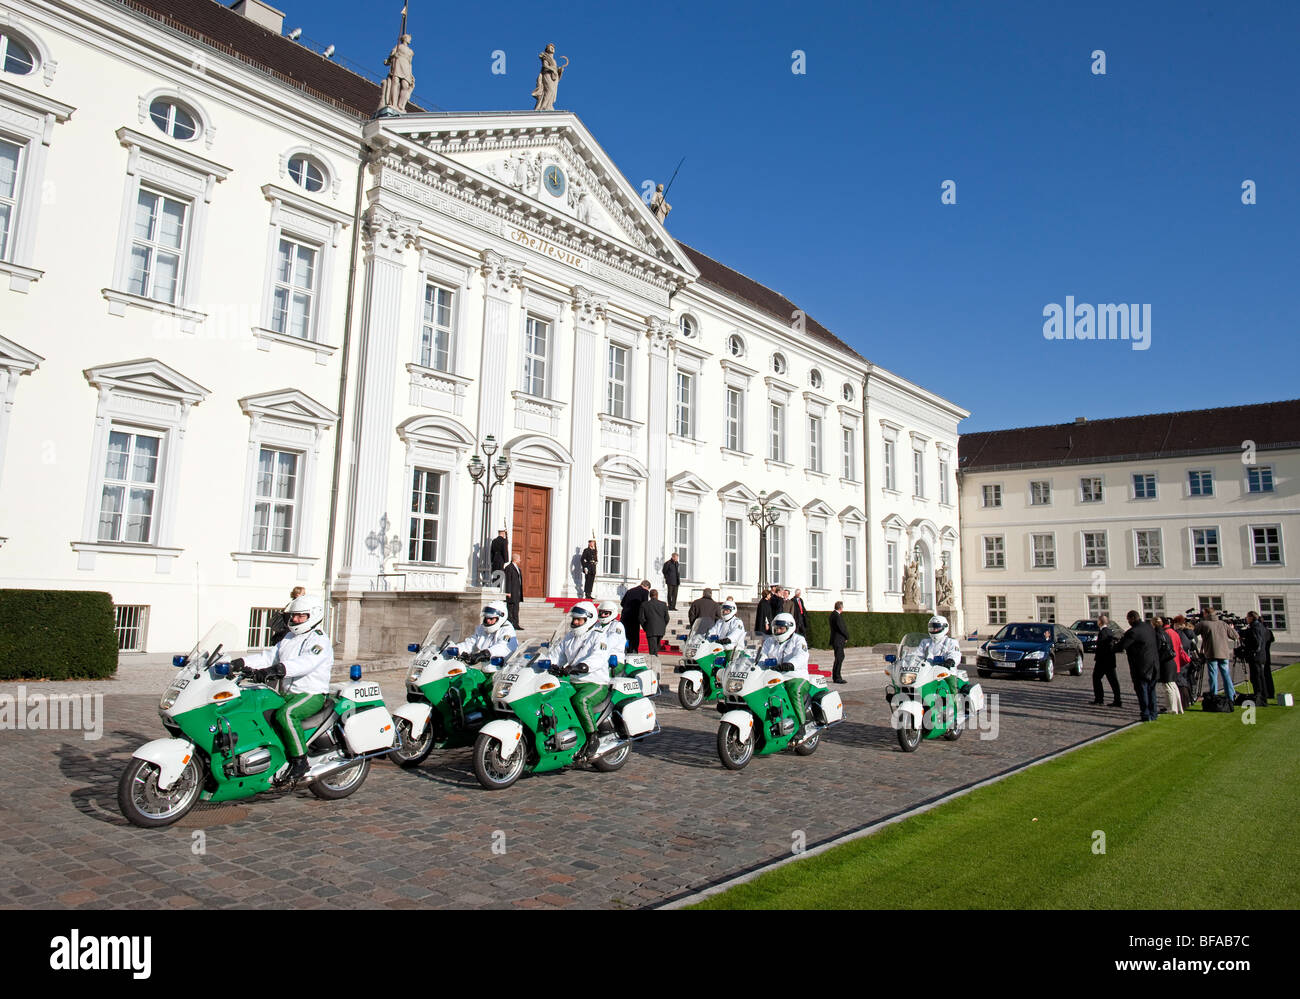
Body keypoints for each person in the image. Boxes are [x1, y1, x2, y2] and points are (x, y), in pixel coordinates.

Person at [228, 594, 332, 783]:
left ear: (313, 615)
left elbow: (306, 663)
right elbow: (268, 657)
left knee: (286, 714)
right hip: (286, 693)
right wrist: (239, 663)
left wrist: (278, 670)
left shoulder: (319, 640)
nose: (295, 620)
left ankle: (300, 761)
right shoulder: (289, 637)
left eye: (301, 616)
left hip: (311, 693)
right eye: (293, 616)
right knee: (254, 705)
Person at [549, 601, 609, 761]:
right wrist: (543, 663)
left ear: (588, 619)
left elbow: (598, 657)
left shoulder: (599, 635)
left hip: (595, 682)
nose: (575, 622)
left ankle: (592, 737)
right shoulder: (570, 636)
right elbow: (557, 655)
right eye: (574, 619)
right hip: (573, 681)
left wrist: (581, 667)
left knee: (580, 700)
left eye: (579, 620)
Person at [760, 613, 813, 740]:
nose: (778, 631)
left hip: (795, 675)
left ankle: (801, 726)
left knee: (794, 691)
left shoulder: (798, 640)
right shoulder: (769, 641)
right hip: (775, 676)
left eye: (781, 628)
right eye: (776, 628)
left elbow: (802, 655)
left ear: (789, 628)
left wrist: (790, 664)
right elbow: (762, 655)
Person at [1116, 610, 1160, 722]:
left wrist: (1112, 645)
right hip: (1154, 664)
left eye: (1128, 620)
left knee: (1143, 690)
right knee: (1151, 690)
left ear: (1132, 618)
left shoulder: (1133, 632)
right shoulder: (1149, 628)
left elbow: (1121, 646)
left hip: (1141, 666)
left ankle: (1146, 714)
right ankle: (1153, 713)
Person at [453, 601, 518, 670]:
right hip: (486, 669)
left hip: (502, 672)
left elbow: (504, 647)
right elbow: (471, 643)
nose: (488, 621)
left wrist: (484, 654)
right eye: (486, 618)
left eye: (491, 618)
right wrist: (457, 649)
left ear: (501, 617)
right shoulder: (482, 628)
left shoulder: (507, 630)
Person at [916, 614, 965, 700]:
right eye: (932, 627)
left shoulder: (950, 642)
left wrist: (951, 661)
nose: (934, 629)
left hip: (946, 671)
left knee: (951, 687)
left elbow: (955, 653)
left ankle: (956, 707)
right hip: (927, 670)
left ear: (945, 627)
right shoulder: (925, 642)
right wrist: (908, 659)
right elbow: (917, 654)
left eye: (936, 627)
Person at [1194, 608, 1238, 699]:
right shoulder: (1223, 624)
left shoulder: (1203, 624)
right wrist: (1232, 628)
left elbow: (1193, 633)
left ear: (1206, 614)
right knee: (1226, 674)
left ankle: (1214, 695)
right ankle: (1231, 695)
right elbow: (1235, 636)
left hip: (1211, 652)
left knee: (1213, 675)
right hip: (1224, 652)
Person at [1154, 616, 1185, 715]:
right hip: (1172, 661)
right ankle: (1177, 707)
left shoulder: (1162, 633)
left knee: (1169, 686)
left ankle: (1172, 708)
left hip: (1166, 662)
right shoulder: (1170, 632)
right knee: (1173, 686)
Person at [1242, 611, 1275, 703]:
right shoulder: (1261, 627)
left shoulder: (1255, 627)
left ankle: (1260, 696)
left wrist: (1251, 650)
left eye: (1247, 617)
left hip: (1256, 655)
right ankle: (1262, 695)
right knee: (1260, 676)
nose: (1246, 619)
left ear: (1251, 618)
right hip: (1261, 655)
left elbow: (1256, 642)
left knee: (1256, 677)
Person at [1091, 613, 1124, 706]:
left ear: (1100, 622)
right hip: (1110, 660)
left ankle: (1099, 698)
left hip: (1102, 661)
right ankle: (1117, 700)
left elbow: (1102, 647)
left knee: (1096, 678)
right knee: (1113, 681)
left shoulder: (1103, 632)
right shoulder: (1110, 631)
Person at [620, 580, 650, 654]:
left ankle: (625, 649)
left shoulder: (630, 591)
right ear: (647, 587)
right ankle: (633, 650)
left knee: (625, 634)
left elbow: (622, 603)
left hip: (625, 616)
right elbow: (645, 605)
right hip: (634, 617)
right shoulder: (645, 592)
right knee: (634, 635)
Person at [641, 589, 669, 656]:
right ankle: (655, 658)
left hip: (650, 629)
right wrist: (663, 626)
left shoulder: (644, 604)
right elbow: (667, 618)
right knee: (656, 647)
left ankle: (654, 660)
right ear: (657, 595)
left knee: (653, 649)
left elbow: (641, 618)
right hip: (660, 629)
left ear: (649, 596)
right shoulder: (663, 604)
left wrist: (645, 627)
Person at [829, 600, 849, 684]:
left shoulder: (833, 615)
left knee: (839, 657)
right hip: (838, 640)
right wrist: (847, 636)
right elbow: (841, 628)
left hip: (836, 639)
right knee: (839, 658)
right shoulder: (837, 616)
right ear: (841, 607)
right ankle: (837, 677)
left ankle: (836, 676)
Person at [503, 553, 524, 629]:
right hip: (511, 592)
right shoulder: (509, 568)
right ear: (515, 559)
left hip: (517, 591)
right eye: (519, 558)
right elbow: (507, 580)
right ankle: (510, 623)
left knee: (516, 608)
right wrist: (508, 592)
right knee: (511, 608)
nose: (520, 560)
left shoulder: (518, 568)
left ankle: (516, 624)